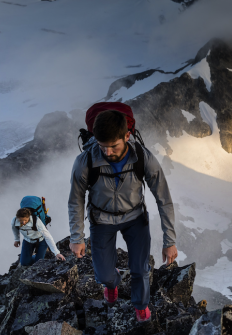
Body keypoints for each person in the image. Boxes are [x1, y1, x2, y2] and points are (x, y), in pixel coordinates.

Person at [68, 105, 176, 323]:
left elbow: (163, 198)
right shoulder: (85, 161)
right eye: (102, 146)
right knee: (104, 275)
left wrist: (170, 240)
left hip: (135, 218)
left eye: (114, 146)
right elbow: (76, 200)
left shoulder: (144, 158)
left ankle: (141, 306)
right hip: (101, 220)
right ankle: (112, 281)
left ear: (127, 136)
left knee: (140, 269)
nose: (108, 152)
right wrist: (76, 237)